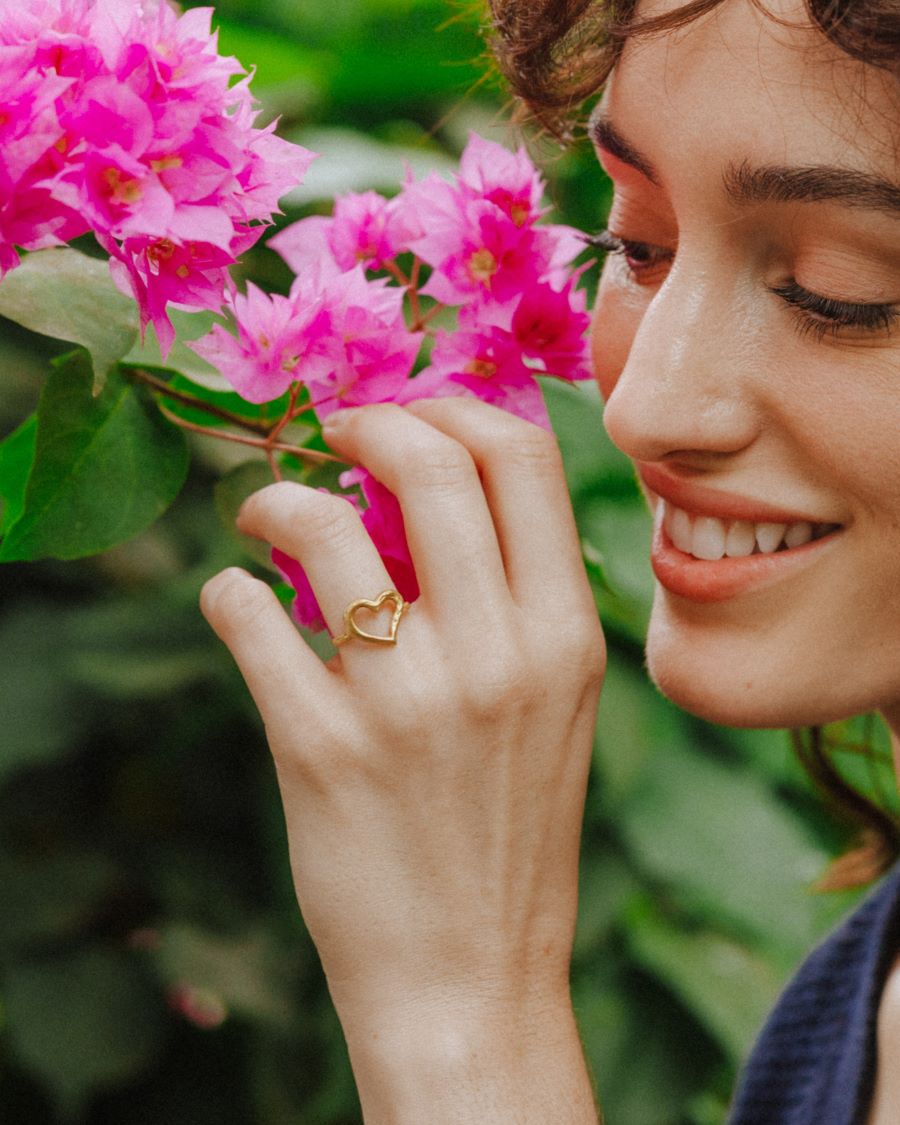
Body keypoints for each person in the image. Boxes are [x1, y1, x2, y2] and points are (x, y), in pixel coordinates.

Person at [198, 0, 900, 1119]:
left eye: (838, 290)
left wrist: (463, 1014)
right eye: (638, 244)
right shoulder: (851, 1013)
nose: (644, 405)